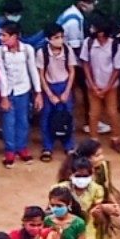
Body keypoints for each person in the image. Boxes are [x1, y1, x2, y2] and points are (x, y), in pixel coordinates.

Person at [0, 22, 42, 168]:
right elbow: (1, 74)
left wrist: (38, 93)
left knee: (23, 120)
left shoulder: (27, 50)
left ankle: (21, 148)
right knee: (9, 122)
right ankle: (10, 150)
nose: (1, 38)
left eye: (4, 35)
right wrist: (4, 97)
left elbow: (33, 70)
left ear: (15, 36)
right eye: (1, 35)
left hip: (23, 90)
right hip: (8, 92)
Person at [80, 16, 120, 150]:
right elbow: (85, 64)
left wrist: (107, 87)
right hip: (93, 85)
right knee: (94, 113)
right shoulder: (89, 43)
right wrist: (92, 84)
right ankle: (93, 140)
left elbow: (117, 68)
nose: (92, 29)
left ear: (102, 32)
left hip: (110, 86)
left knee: (112, 112)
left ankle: (115, 139)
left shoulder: (115, 45)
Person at [37, 26, 76, 162]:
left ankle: (69, 145)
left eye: (61, 37)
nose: (60, 40)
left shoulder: (68, 50)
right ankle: (47, 147)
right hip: (49, 86)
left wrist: (67, 91)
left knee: (68, 116)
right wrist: (49, 94)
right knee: (46, 116)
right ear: (49, 39)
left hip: (64, 85)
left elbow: (71, 71)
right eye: (56, 38)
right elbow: (41, 74)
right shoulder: (42, 53)